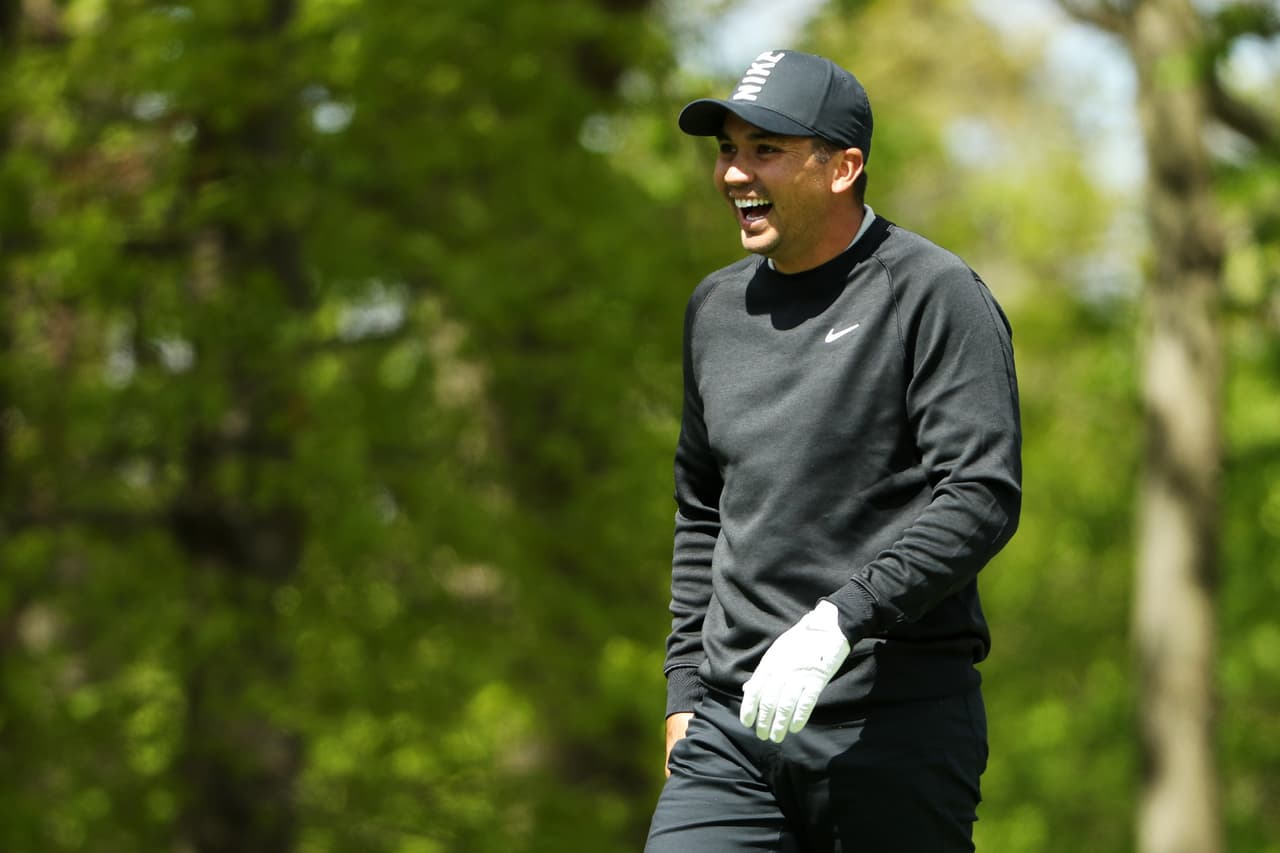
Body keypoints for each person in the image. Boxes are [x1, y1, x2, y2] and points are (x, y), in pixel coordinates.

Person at [644, 49, 1022, 852]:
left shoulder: (933, 293)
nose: (733, 175)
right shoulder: (714, 310)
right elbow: (702, 507)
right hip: (731, 733)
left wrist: (840, 621)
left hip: (894, 728)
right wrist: (683, 689)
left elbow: (981, 494)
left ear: (844, 165)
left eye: (764, 150)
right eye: (727, 150)